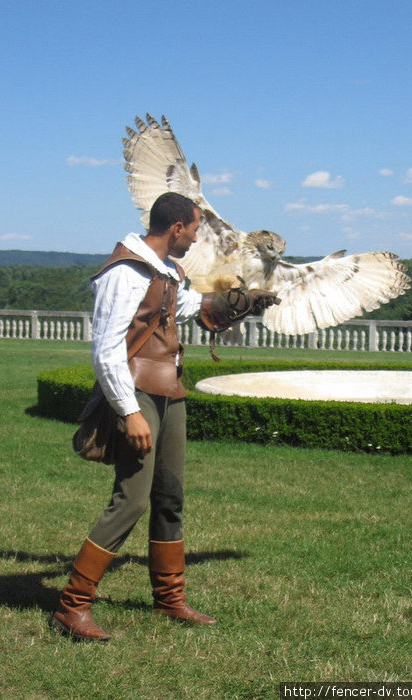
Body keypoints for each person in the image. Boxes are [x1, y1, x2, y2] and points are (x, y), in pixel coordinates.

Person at [50, 192, 278, 641]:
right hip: (137, 394)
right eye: (193, 230)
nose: (195, 239)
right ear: (176, 228)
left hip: (170, 392)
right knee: (131, 499)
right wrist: (130, 413)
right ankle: (72, 605)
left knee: (170, 496)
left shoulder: (168, 272)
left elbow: (189, 308)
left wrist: (244, 300)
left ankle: (170, 598)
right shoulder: (125, 272)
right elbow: (106, 351)